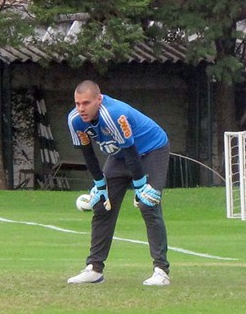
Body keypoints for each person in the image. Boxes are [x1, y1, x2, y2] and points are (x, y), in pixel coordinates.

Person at [66, 80, 171, 286]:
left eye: (86, 103)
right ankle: (94, 269)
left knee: (148, 204)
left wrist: (141, 187)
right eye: (77, 104)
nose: (81, 109)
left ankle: (161, 270)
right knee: (102, 206)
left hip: (151, 150)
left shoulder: (112, 114)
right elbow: (87, 153)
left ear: (99, 99)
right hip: (119, 155)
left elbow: (132, 152)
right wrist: (100, 184)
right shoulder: (75, 120)